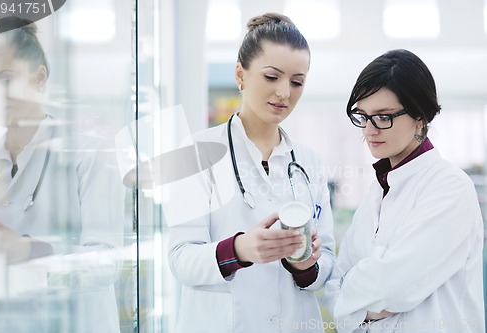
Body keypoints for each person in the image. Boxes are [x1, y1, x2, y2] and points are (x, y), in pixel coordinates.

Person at [167, 12, 335, 333]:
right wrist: (240, 249)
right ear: (240, 76)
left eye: (297, 81)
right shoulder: (197, 152)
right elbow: (180, 260)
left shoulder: (309, 162)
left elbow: (326, 262)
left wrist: (305, 265)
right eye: (272, 77)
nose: (285, 93)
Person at [324, 49, 485, 333]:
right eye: (363, 115)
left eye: (384, 117)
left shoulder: (449, 187)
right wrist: (363, 301)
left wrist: (358, 300)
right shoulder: (378, 192)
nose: (370, 130)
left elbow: (394, 286)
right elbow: (334, 285)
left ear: (419, 117)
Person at [0, 17, 124, 332]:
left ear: (39, 78)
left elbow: (108, 262)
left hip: (75, 323)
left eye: (6, 79)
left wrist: (32, 252)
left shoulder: (88, 154)